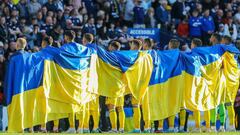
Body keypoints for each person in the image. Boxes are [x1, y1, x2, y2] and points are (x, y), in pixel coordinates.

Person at [106, 41, 125, 133]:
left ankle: (114, 129)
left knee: (111, 107)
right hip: (121, 84)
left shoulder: (110, 56)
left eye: (109, 46)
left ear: (112, 47)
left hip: (112, 84)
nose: (108, 48)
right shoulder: (122, 56)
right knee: (120, 108)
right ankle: (121, 129)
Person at [128, 39, 142, 133]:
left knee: (136, 106)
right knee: (140, 106)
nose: (130, 47)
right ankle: (146, 127)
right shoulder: (144, 55)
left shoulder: (133, 55)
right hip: (143, 83)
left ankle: (137, 128)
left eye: (131, 45)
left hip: (136, 84)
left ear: (135, 47)